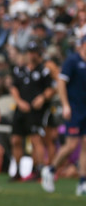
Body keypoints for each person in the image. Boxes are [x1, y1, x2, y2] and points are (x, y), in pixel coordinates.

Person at [41, 35, 86, 194]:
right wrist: (66, 105)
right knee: (71, 145)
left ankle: (83, 181)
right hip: (74, 109)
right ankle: (51, 169)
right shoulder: (72, 61)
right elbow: (61, 83)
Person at [9, 40, 55, 180]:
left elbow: (51, 88)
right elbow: (14, 87)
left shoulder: (43, 71)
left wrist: (41, 98)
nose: (32, 55)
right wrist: (19, 102)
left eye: (34, 52)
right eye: (30, 52)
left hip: (35, 111)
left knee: (36, 140)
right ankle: (16, 170)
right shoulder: (20, 70)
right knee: (16, 140)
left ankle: (38, 170)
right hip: (21, 109)